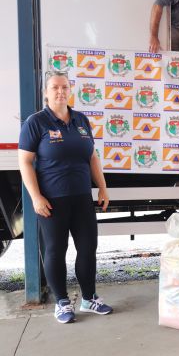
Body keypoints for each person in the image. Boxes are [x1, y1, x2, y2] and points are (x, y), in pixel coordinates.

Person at [17, 70, 113, 324]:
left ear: (70, 90)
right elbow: (25, 162)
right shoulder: (35, 122)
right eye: (54, 87)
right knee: (55, 250)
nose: (60, 91)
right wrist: (36, 197)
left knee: (88, 248)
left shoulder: (81, 120)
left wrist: (102, 187)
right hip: (52, 201)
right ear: (46, 93)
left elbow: (92, 156)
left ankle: (89, 298)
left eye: (64, 87)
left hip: (81, 197)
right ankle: (61, 302)